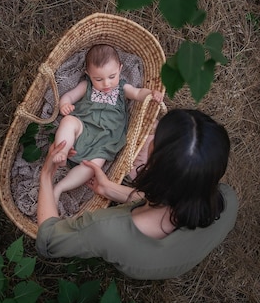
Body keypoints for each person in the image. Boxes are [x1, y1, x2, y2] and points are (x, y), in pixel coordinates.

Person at [36, 109, 238, 280]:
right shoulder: (228, 200)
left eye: (153, 140)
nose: (149, 137)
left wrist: (46, 175)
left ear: (153, 168)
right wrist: (109, 189)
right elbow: (174, 200)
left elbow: (49, 240)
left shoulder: (106, 229)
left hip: (145, 263)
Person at [51, 43, 163, 203]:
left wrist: (150, 94)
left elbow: (138, 93)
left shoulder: (122, 88)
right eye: (98, 79)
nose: (106, 84)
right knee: (68, 121)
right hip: (83, 127)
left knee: (92, 167)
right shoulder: (86, 86)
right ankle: (63, 151)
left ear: (120, 69)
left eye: (112, 76)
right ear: (88, 74)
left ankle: (60, 187)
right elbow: (69, 96)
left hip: (104, 141)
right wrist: (65, 104)